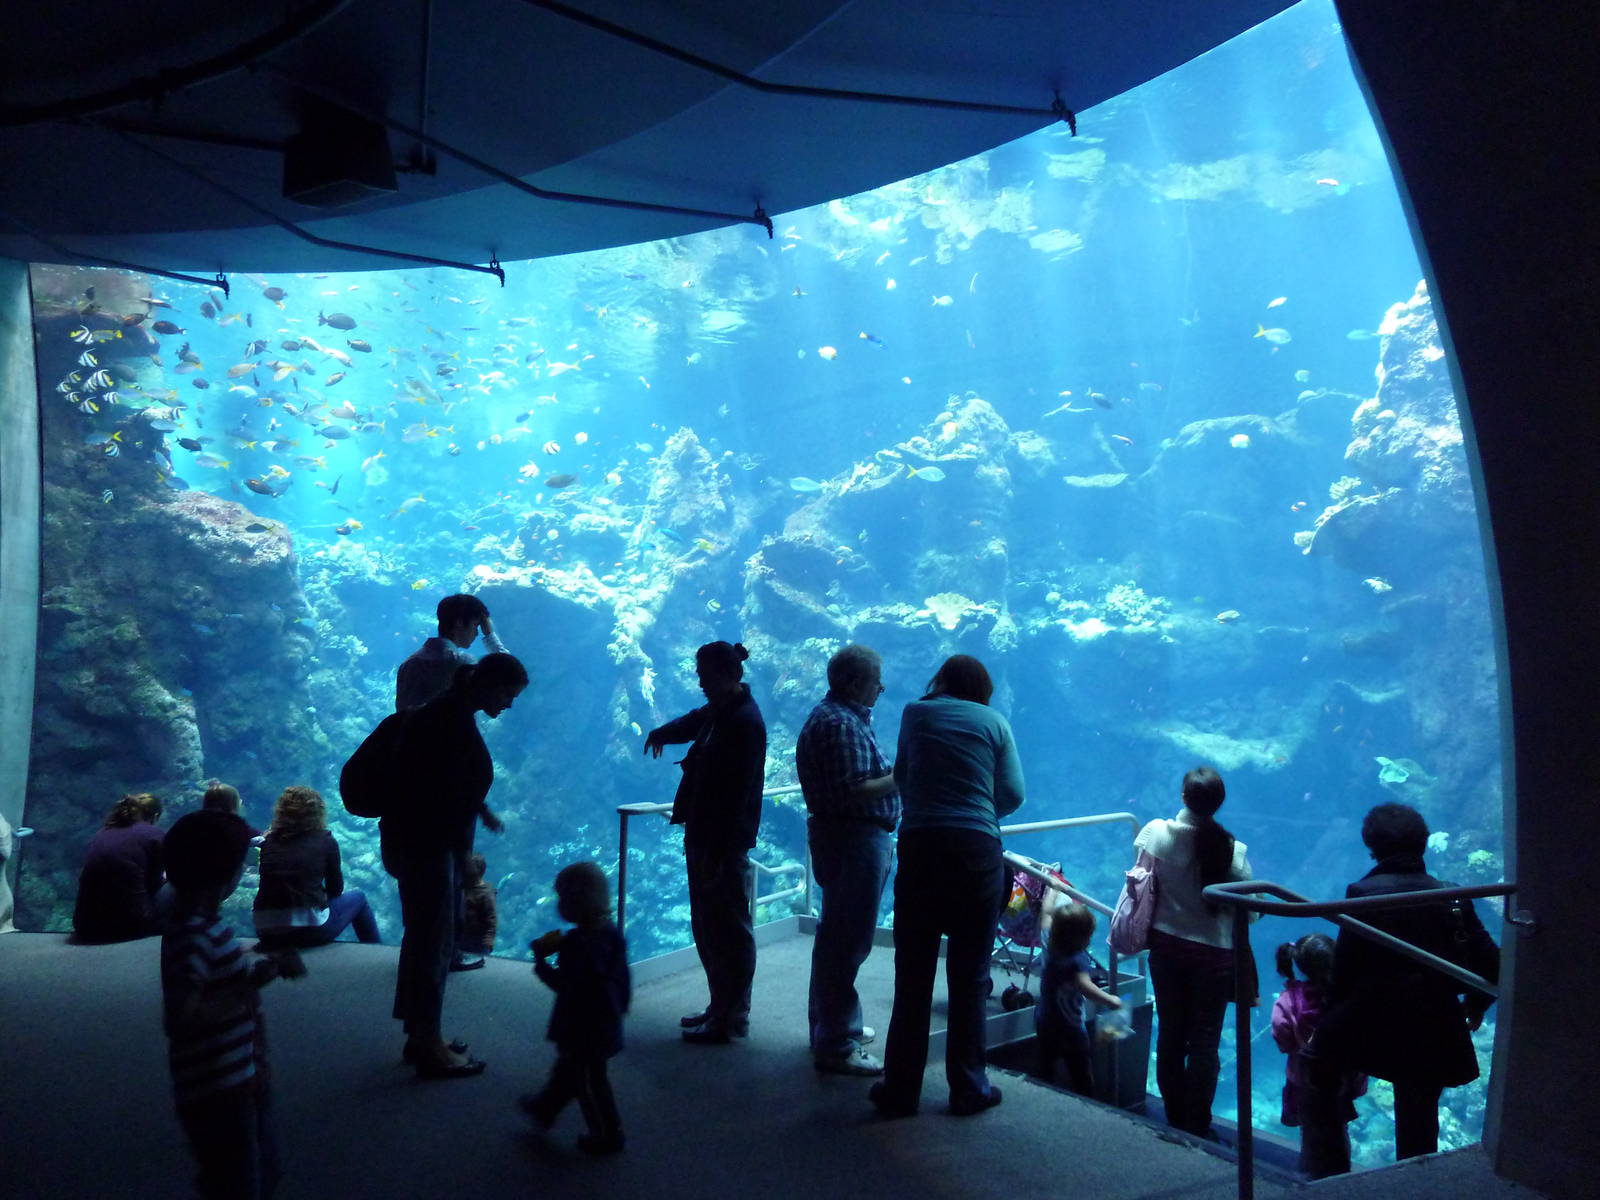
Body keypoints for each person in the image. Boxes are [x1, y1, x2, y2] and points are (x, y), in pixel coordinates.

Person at [871, 654, 1024, 1118]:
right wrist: (978, 809)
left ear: (940, 680)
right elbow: (1014, 794)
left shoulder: (916, 713)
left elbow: (902, 776)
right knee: (970, 973)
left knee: (912, 971)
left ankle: (900, 1090)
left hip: (921, 845)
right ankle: (969, 1088)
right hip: (976, 850)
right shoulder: (995, 723)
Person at [1310, 803, 1499, 1161]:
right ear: (1424, 842)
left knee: (1320, 1074)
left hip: (1376, 1024)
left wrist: (1327, 1028)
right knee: (1420, 1119)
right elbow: (1493, 963)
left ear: (1371, 846)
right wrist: (1475, 1004)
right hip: (1434, 1025)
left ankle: (1326, 1170)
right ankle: (1417, 1177)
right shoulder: (1451, 896)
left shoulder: (1362, 895)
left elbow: (1345, 972)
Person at [383, 652, 528, 1078]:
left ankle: (420, 1034)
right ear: (488, 684)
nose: (509, 704)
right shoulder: (448, 719)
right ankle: (430, 1046)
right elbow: (440, 796)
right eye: (507, 694)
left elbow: (447, 781)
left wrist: (480, 812)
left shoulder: (449, 712)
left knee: (425, 937)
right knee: (434, 941)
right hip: (428, 846)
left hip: (419, 842)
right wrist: (464, 855)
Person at [161, 810, 307, 1200]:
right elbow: (181, 1018)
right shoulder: (193, 935)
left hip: (239, 1071)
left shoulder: (206, 928)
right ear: (224, 876)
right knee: (234, 1180)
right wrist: (247, 987)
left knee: (261, 1168)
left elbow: (218, 987)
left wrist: (262, 973)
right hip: (215, 1086)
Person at [644, 641, 766, 1045]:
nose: (699, 682)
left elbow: (737, 795)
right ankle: (719, 1006)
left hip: (721, 845)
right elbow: (693, 721)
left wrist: (718, 850)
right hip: (703, 835)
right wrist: (661, 733)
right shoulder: (721, 709)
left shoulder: (744, 722)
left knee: (729, 928)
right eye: (699, 674)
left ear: (728, 675)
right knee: (708, 925)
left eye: (706, 675)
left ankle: (732, 1016)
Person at [1134, 765, 1254, 1140]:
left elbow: (1140, 877)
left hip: (1166, 947)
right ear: (1220, 803)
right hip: (1213, 957)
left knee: (1171, 1034)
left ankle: (1174, 1116)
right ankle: (1198, 1123)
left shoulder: (1155, 833)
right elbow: (1252, 911)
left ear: (1183, 797)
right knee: (1204, 1041)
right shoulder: (1233, 851)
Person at [797, 643, 899, 1076]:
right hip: (853, 838)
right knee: (847, 942)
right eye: (876, 682)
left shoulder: (838, 718)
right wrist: (902, 777)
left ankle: (827, 1027)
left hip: (846, 838)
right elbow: (854, 790)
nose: (880, 688)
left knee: (834, 936)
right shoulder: (840, 724)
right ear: (855, 682)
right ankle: (838, 1043)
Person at [396, 592, 511, 971]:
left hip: (412, 784)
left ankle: (423, 948)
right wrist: (492, 635)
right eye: (475, 626)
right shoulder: (462, 662)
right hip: (452, 786)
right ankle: (447, 952)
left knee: (419, 882)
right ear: (461, 623)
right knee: (451, 875)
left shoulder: (409, 665)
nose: (476, 634)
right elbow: (506, 671)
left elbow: (400, 718)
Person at [521, 861, 631, 1155]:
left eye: (561, 897)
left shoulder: (576, 944)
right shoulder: (612, 933)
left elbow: (566, 985)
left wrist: (541, 963)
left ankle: (607, 1134)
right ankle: (546, 1107)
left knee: (588, 1080)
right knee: (572, 1069)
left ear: (573, 902)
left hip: (581, 1025)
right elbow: (620, 978)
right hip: (606, 1020)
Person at [1271, 933, 1365, 1179]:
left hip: (1305, 1079)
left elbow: (1281, 1035)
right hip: (1344, 1077)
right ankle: (1341, 1176)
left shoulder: (1289, 999)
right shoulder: (1348, 996)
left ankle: (1312, 1180)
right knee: (1339, 1126)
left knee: (1310, 1130)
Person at [253, 785, 381, 948]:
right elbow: (336, 889)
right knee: (359, 897)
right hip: (309, 931)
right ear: (317, 812)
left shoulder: (268, 842)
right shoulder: (326, 841)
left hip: (265, 932)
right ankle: (376, 951)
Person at [1035, 895, 1123, 1097]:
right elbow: (1085, 987)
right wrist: (1111, 1000)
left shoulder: (1048, 940)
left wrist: (1053, 889)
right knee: (1080, 1069)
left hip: (1044, 1018)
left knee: (1045, 1063)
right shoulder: (1077, 960)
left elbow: (1046, 913)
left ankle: (1040, 1096)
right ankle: (1087, 1102)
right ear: (1079, 938)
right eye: (1088, 936)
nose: (1090, 940)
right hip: (1070, 1026)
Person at [73, 792, 171, 942]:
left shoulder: (103, 832)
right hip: (130, 927)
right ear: (155, 815)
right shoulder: (154, 834)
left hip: (84, 925)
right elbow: (155, 883)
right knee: (177, 883)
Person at [461, 853, 499, 958]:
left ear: (478, 870)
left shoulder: (486, 894)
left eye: (469, 867)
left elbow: (492, 919)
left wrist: (488, 941)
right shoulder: (465, 888)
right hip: (463, 938)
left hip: (478, 943)